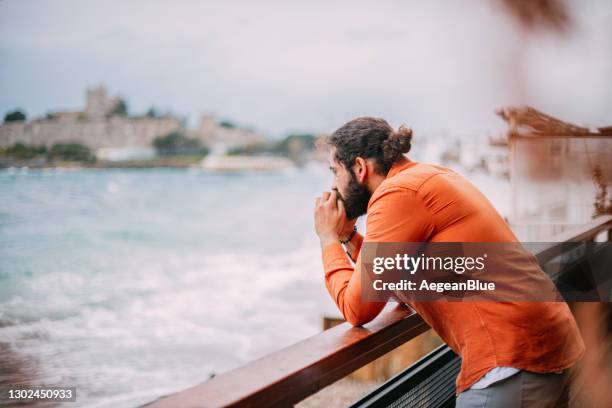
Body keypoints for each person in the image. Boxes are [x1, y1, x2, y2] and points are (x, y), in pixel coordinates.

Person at [313, 117, 585, 407]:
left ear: (359, 167)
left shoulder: (396, 195)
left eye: (335, 171)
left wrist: (328, 238)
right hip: (549, 341)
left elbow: (357, 309)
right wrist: (349, 236)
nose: (333, 185)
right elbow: (388, 279)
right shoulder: (427, 177)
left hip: (512, 359)